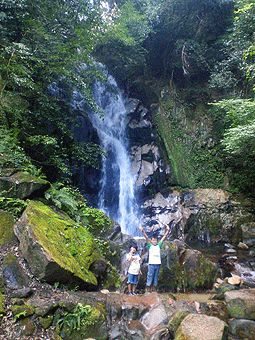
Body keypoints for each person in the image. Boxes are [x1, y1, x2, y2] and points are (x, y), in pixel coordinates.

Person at [139, 223, 170, 292]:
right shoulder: (150, 245)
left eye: (155, 240)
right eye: (153, 240)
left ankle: (154, 290)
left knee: (155, 277)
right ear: (151, 241)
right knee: (150, 276)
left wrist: (167, 230)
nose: (154, 241)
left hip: (157, 264)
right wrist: (142, 230)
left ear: (157, 241)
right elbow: (146, 237)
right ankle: (149, 290)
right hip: (151, 264)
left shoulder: (159, 245)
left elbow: (164, 237)